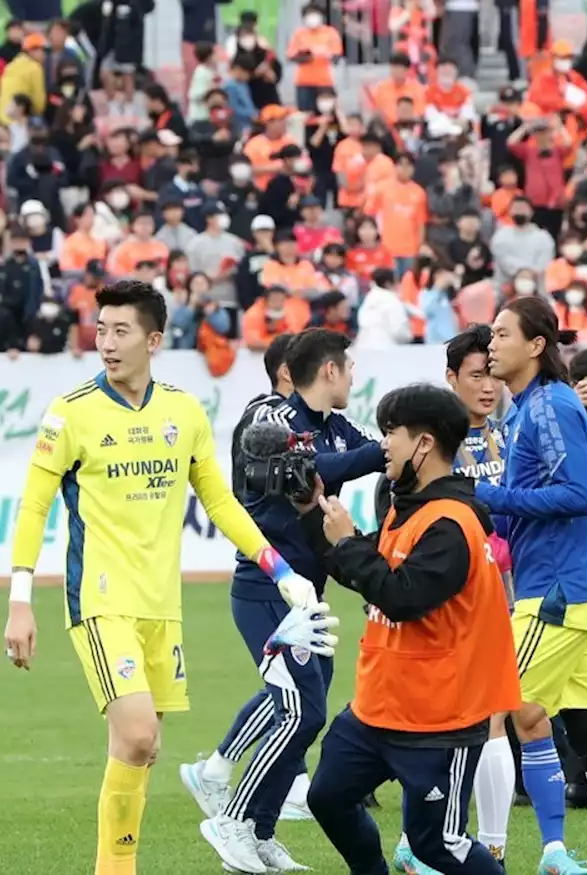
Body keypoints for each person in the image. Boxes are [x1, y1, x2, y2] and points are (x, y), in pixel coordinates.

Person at [2, 281, 320, 875]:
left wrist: (281, 573)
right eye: (100, 329)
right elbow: (34, 506)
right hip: (100, 602)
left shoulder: (182, 410)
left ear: (154, 339)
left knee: (136, 752)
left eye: (120, 331)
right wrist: (20, 600)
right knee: (141, 735)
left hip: (161, 608)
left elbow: (222, 502)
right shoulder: (70, 412)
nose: (106, 343)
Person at [301, 382, 519, 875]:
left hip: (438, 719)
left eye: (390, 433)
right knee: (328, 797)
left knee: (438, 845)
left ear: (423, 443)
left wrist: (348, 544)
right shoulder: (409, 506)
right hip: (378, 707)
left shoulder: (452, 522)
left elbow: (402, 598)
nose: (383, 446)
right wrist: (314, 516)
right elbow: (363, 570)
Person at [193, 329, 389, 874]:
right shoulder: (276, 420)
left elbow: (359, 453)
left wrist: (395, 449)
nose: (352, 377)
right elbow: (316, 471)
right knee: (302, 709)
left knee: (304, 714)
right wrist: (384, 451)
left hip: (309, 592)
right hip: (266, 588)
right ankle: (230, 818)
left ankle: (258, 829)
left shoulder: (336, 426)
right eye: (347, 367)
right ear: (328, 371)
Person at [480, 297, 587, 875]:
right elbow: (523, 510)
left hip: (554, 596)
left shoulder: (549, 407)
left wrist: (489, 497)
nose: (491, 345)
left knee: (489, 712)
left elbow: (579, 495)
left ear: (535, 346)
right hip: (572, 592)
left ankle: (484, 852)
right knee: (584, 730)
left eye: (502, 334)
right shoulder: (528, 408)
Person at [379, 325, 520, 872]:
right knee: (436, 718)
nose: (488, 388)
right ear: (451, 379)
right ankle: (428, 839)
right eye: (476, 377)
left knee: (496, 716)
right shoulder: (428, 450)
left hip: (497, 590)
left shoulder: (509, 435)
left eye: (493, 376)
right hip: (435, 600)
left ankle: (484, 842)